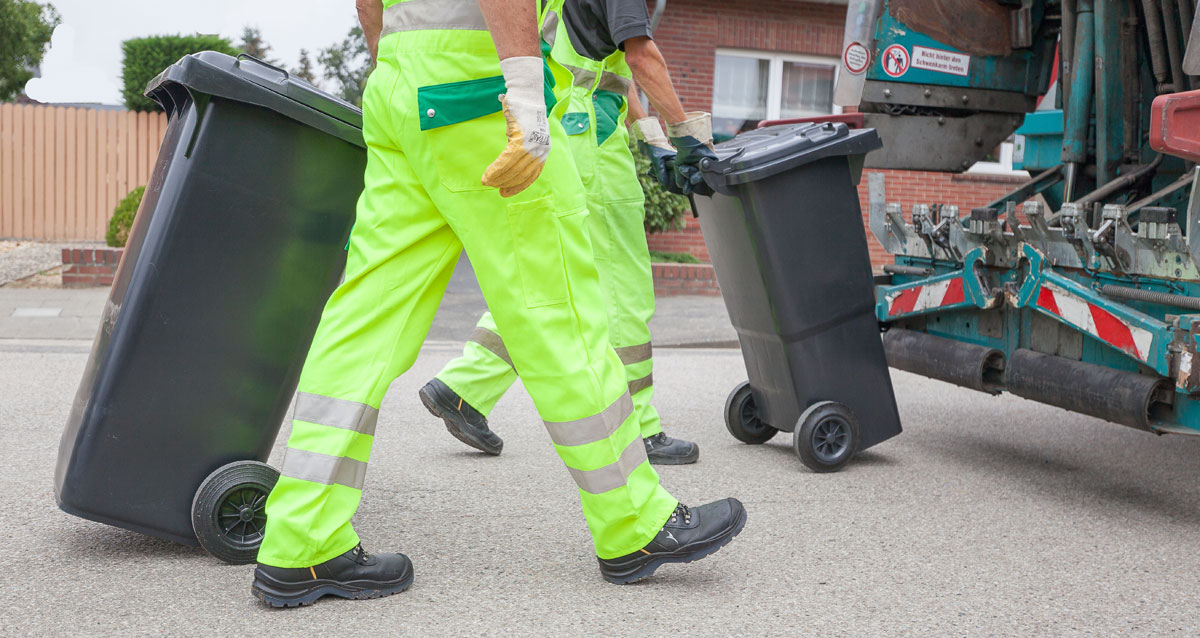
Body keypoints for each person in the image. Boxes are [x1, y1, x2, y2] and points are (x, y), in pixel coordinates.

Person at [249, 0, 746, 608]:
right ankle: (635, 523)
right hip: (481, 87)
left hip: (402, 80)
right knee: (557, 308)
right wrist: (526, 102)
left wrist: (400, 73)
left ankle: (301, 539)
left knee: (365, 316)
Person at [419, 0, 714, 466]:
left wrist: (651, 136)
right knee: (623, 287)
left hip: (566, 124)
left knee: (551, 277)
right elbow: (642, 58)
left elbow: (614, 73)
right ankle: (638, 427)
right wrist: (689, 137)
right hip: (591, 139)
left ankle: (463, 387)